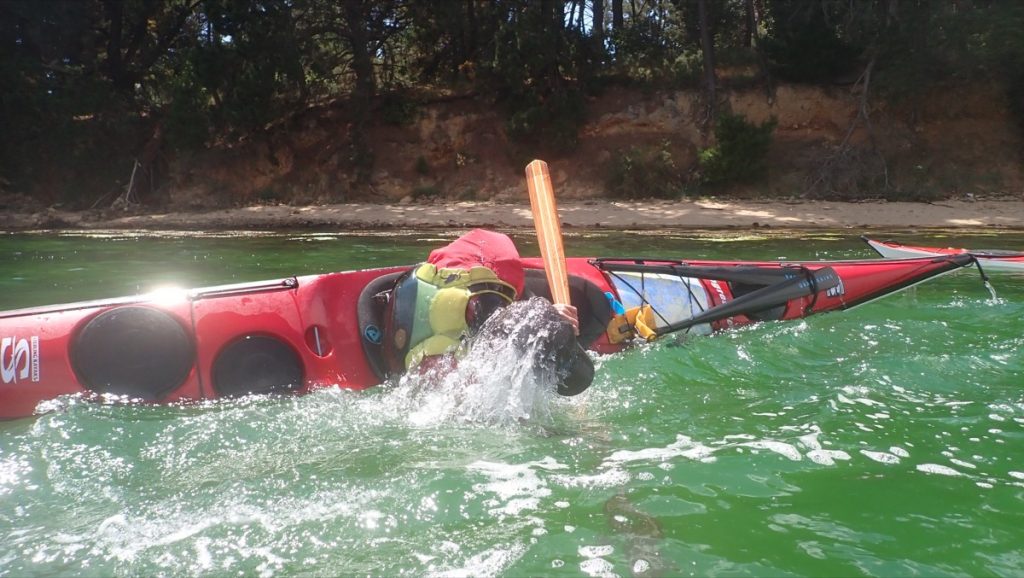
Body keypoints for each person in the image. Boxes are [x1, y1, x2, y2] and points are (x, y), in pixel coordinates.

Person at [381, 229, 594, 395]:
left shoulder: (421, 284)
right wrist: (550, 321)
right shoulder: (489, 298)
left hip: (410, 369)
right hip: (463, 394)